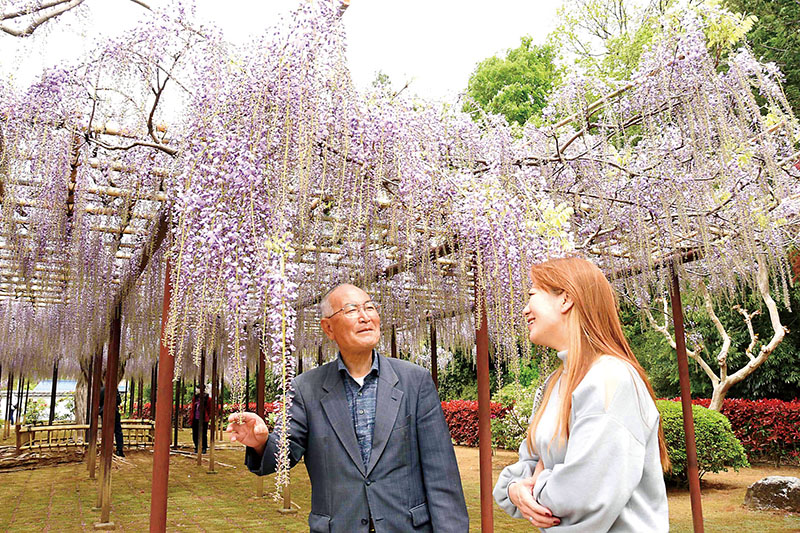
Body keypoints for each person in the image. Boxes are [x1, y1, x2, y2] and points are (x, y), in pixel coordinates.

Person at [227, 283, 469, 533]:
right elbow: (284, 454)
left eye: (370, 308)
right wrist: (260, 442)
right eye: (351, 310)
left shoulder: (414, 381)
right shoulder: (306, 388)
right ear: (328, 328)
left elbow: (442, 474)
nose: (365, 317)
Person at [493, 257, 670, 532]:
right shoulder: (554, 383)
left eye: (532, 295)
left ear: (565, 299)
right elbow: (528, 462)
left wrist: (535, 483)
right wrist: (515, 487)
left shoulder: (610, 378)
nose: (525, 310)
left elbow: (582, 494)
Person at [99, 386, 125, 457]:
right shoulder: (114, 389)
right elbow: (119, 401)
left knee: (105, 430)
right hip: (114, 411)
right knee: (118, 431)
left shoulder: (102, 389)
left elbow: (99, 401)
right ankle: (119, 450)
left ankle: (105, 449)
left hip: (104, 412)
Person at [191, 386, 212, 453]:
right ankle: (197, 446)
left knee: (203, 434)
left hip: (203, 419)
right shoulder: (196, 398)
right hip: (195, 418)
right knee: (195, 433)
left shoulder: (208, 398)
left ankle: (204, 447)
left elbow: (209, 409)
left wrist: (207, 416)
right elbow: (193, 408)